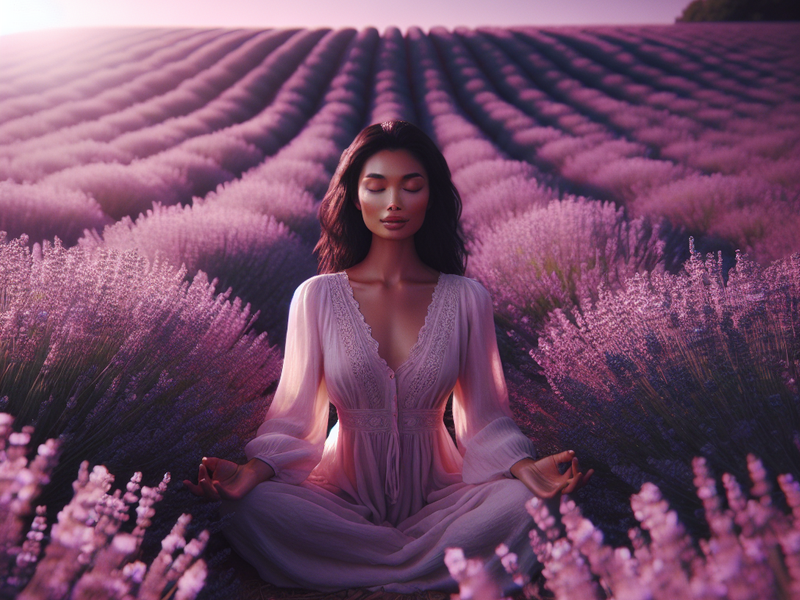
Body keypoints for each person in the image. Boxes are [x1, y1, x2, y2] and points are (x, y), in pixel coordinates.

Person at [185, 120, 592, 592]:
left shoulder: (467, 298)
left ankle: (362, 571)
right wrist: (249, 474)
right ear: (355, 198)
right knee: (252, 506)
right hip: (338, 495)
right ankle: (433, 572)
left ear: (431, 197)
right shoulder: (316, 297)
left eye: (411, 187)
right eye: (376, 187)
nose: (393, 202)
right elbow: (294, 418)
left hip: (445, 495)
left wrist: (525, 469)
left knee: (527, 505)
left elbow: (485, 417)